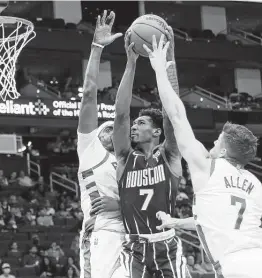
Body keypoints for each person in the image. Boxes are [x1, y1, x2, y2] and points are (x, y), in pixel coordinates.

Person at [143, 34, 262, 278]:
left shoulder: (208, 166)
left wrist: (158, 69)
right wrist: (176, 223)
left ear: (226, 151)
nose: (212, 144)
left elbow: (176, 115)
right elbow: (212, 220)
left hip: (233, 266)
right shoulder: (256, 185)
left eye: (217, 142)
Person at [113, 27, 189, 278]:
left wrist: (168, 61)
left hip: (166, 244)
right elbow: (121, 114)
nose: (134, 126)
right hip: (133, 247)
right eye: (135, 124)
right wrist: (131, 62)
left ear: (157, 132)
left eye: (141, 123)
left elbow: (172, 113)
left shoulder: (169, 156)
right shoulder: (125, 157)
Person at [77, 10, 126, 278]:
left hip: (133, 233)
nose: (112, 131)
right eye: (106, 128)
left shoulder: (129, 159)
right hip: (102, 232)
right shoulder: (89, 146)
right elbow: (88, 94)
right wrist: (96, 48)